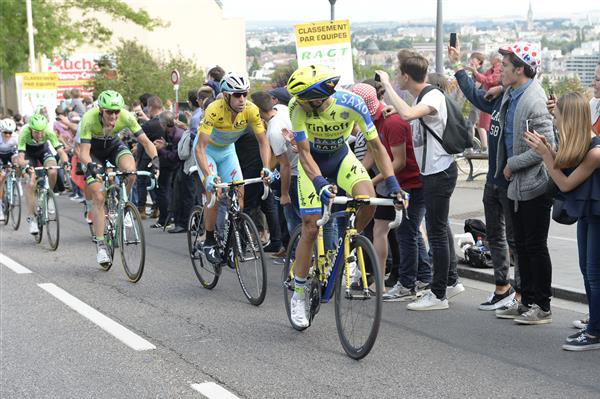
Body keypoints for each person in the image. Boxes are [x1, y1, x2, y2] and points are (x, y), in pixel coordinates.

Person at [286, 64, 406, 328]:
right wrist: (318, 183)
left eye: (305, 100)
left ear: (319, 98)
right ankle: (298, 293)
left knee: (367, 199)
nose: (299, 103)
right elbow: (304, 153)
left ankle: (348, 242)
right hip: (312, 165)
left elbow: (376, 146)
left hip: (341, 158)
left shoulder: (352, 103)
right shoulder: (296, 107)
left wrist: (394, 184)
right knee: (310, 226)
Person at [377, 54, 465, 311]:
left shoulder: (432, 96)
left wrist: (387, 87)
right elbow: (410, 115)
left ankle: (438, 295)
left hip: (439, 172)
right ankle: (450, 282)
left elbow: (407, 115)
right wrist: (398, 107)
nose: (394, 77)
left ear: (406, 76)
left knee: (436, 232)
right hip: (434, 172)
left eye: (396, 74)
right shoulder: (423, 97)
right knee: (439, 227)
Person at [524, 91, 600, 350]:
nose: (554, 121)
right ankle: (595, 325)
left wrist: (546, 154)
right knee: (587, 272)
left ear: (569, 118)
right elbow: (566, 168)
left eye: (556, 116)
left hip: (597, 216)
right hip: (589, 215)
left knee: (594, 274)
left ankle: (594, 334)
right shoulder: (581, 144)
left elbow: (566, 183)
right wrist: (550, 150)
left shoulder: (595, 151)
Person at [449, 43, 520, 311]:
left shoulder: (519, 97)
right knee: (495, 235)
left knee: (515, 240)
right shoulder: (501, 97)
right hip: (493, 180)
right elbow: (474, 96)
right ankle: (502, 288)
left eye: (504, 66)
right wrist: (458, 67)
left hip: (509, 181)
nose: (499, 69)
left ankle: (521, 296)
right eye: (500, 64)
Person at [489, 42, 555, 325]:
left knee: (534, 245)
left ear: (520, 69)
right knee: (522, 246)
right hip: (515, 185)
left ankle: (542, 305)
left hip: (533, 185)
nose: (499, 69)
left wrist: (512, 164)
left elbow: (546, 145)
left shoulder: (534, 100)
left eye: (504, 65)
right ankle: (525, 299)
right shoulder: (513, 93)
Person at [351, 83, 428, 300]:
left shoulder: (392, 121)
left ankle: (412, 281)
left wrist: (371, 182)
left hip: (408, 182)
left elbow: (399, 162)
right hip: (388, 182)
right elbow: (370, 155)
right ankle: (383, 279)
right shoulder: (373, 121)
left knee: (408, 232)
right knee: (384, 229)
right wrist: (356, 176)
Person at [193, 72, 272, 263]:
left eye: (244, 93)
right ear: (226, 96)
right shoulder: (214, 109)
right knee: (215, 194)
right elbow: (200, 147)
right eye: (237, 95)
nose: (242, 99)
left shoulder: (251, 110)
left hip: (228, 152)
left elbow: (263, 142)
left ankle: (231, 241)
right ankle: (210, 240)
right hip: (208, 152)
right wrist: (208, 175)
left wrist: (267, 167)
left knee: (239, 194)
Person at [79, 90, 159, 265]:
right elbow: (84, 153)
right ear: (101, 110)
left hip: (114, 146)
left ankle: (123, 203)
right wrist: (91, 166)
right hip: (94, 152)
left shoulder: (127, 117)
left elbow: (146, 142)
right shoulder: (89, 118)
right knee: (99, 197)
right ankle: (101, 245)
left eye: (117, 111)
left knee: (131, 171)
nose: (114, 115)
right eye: (109, 111)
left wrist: (156, 161)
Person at [251, 90, 294, 255]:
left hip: (293, 174)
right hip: (298, 167)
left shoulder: (273, 131)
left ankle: (295, 257)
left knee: (292, 218)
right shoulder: (282, 109)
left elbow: (285, 165)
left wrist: (284, 194)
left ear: (258, 111)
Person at [16, 114, 69, 234]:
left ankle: (49, 195)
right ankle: (32, 218)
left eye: (42, 132)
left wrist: (66, 162)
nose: (39, 135)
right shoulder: (24, 133)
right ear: (30, 129)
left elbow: (60, 151)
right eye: (36, 132)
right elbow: (20, 158)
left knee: (53, 170)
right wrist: (26, 165)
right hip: (28, 155)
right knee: (31, 182)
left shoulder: (49, 132)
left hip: (43, 151)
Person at [151, 111, 183, 229]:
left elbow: (174, 156)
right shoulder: (171, 132)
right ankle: (167, 218)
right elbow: (172, 148)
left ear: (163, 124)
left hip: (177, 167)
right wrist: (166, 145)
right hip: (172, 167)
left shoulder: (177, 135)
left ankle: (166, 218)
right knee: (165, 192)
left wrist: (161, 149)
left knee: (164, 192)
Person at [0, 119, 19, 221]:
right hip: (0, 156)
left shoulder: (16, 137)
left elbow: (19, 152)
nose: (8, 135)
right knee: (1, 177)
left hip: (11, 154)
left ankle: (17, 181)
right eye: (5, 133)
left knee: (17, 163)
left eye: (10, 133)